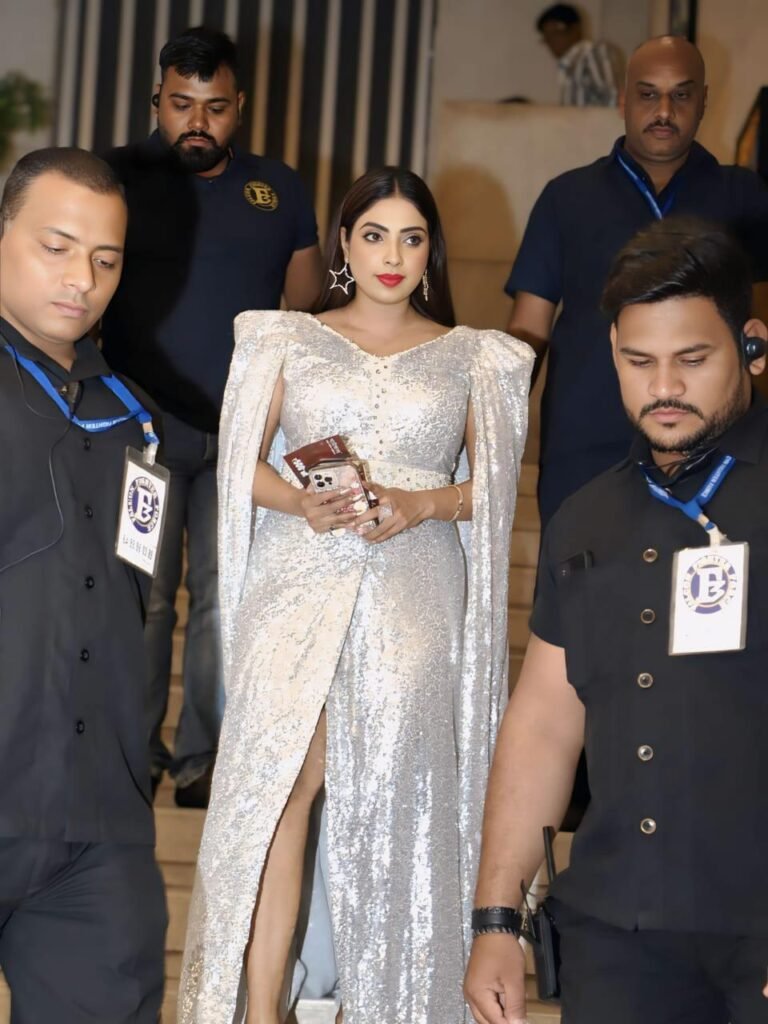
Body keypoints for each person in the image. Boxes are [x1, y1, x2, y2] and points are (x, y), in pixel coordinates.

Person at [177, 167, 534, 1024]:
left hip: (416, 590)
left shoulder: (473, 356)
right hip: (296, 582)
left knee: (397, 794)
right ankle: (262, 1009)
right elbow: (239, 461)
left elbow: (493, 488)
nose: (391, 255)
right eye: (374, 235)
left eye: (411, 238)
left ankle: (390, 1002)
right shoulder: (286, 338)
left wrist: (422, 504)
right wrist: (298, 501)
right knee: (281, 790)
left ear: (431, 251)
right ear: (343, 242)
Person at [465, 218, 768, 1024]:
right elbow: (543, 724)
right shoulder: (584, 518)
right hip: (616, 935)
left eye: (692, 359)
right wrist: (496, 919)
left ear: (752, 346)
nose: (664, 386)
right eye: (639, 361)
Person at [101, 26, 323, 808]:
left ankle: (204, 759)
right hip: (140, 432)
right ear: (156, 101)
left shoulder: (278, 190)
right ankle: (131, 756)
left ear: (240, 107)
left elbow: (308, 310)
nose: (197, 122)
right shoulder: (114, 178)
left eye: (215, 107)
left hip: (242, 440)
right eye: (181, 104)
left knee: (225, 597)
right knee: (144, 595)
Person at [0, 148, 167, 1021]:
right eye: (56, 248)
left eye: (106, 260)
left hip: (97, 820)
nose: (82, 280)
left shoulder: (130, 417)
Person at [508, 34, 768, 530]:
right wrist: (497, 422)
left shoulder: (744, 196)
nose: (664, 111)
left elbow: (761, 323)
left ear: (703, 101)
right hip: (584, 442)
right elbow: (528, 330)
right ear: (623, 100)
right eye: (648, 94)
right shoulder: (568, 197)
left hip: (713, 445)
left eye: (681, 95)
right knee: (578, 574)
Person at [536, 3, 620, 107]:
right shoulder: (568, 64)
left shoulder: (592, 53)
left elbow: (611, 100)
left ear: (575, 28)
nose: (551, 42)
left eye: (554, 33)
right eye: (547, 37)